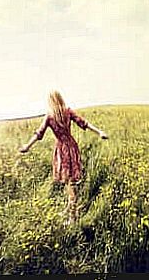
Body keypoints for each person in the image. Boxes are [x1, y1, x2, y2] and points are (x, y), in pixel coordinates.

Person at [19, 90, 108, 225]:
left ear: (50, 101)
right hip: (72, 147)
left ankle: (72, 218)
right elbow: (84, 123)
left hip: (62, 150)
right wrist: (99, 132)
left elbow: (39, 134)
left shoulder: (49, 116)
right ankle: (69, 209)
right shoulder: (68, 111)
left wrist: (27, 146)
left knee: (70, 184)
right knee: (69, 182)